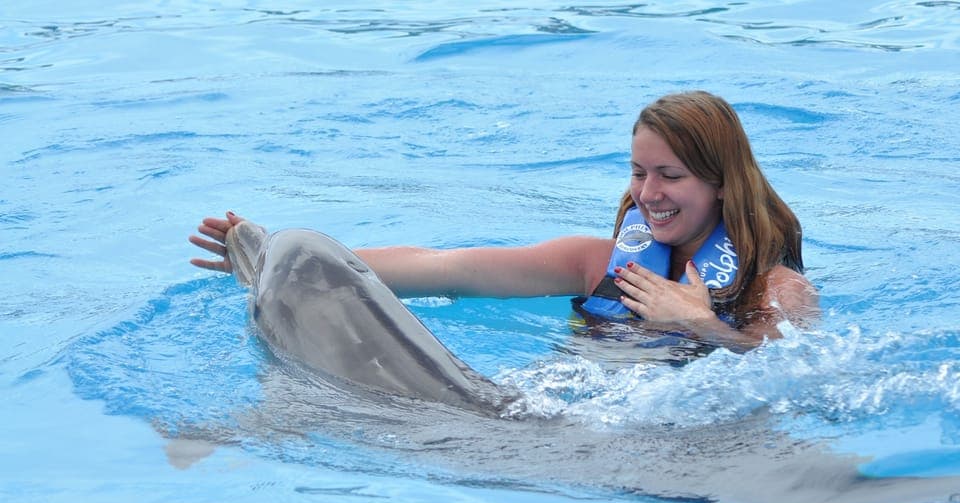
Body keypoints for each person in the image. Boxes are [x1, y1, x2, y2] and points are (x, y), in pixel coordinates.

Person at [190, 91, 818, 352]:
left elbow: (806, 378)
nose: (648, 194)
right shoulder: (597, 264)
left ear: (721, 181)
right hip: (560, 417)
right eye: (638, 172)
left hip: (684, 443)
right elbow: (447, 269)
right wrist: (280, 260)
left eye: (670, 176)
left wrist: (704, 325)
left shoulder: (775, 290)